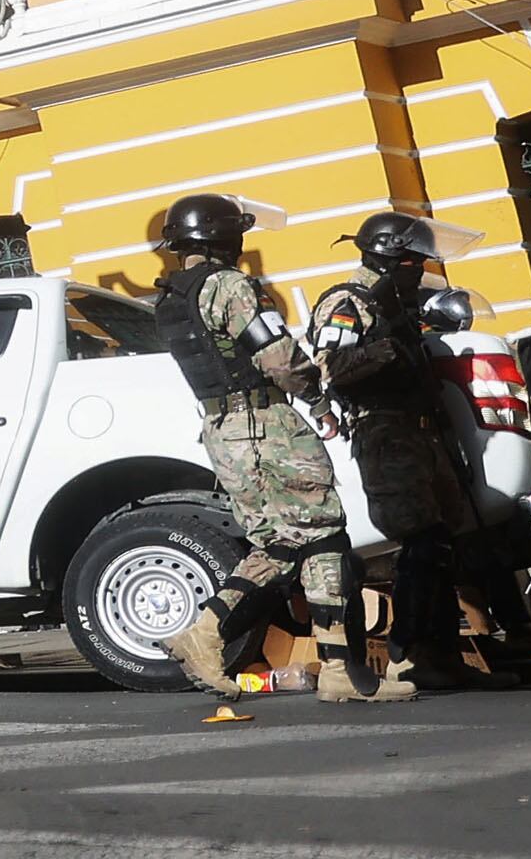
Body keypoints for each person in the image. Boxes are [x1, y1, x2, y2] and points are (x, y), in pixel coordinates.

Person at [153, 193, 412, 704]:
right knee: (309, 533)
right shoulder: (228, 286)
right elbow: (280, 359)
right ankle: (210, 630)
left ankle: (338, 667)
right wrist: (317, 398)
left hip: (221, 431)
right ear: (226, 238)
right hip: (264, 424)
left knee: (302, 538)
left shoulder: (169, 299)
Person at [312, 212, 515, 690]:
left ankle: (439, 658)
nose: (420, 268)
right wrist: (378, 353)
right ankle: (404, 651)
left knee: (442, 541)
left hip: (422, 431)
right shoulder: (350, 300)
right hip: (384, 432)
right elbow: (329, 366)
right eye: (414, 260)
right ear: (391, 257)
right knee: (420, 541)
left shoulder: (399, 301)